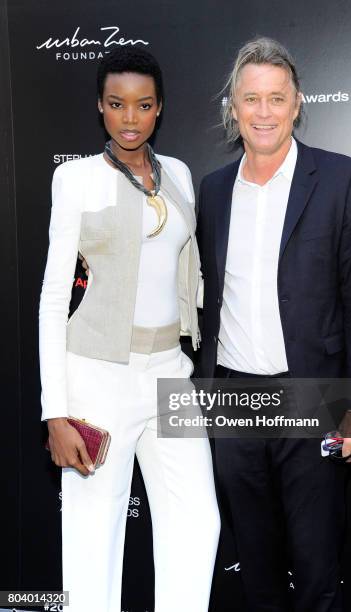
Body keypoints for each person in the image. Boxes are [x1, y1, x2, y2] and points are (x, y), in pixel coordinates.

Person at [196, 37, 351, 611]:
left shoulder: (341, 179)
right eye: (250, 98)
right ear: (232, 105)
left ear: (297, 103)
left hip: (313, 397)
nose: (262, 112)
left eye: (275, 98)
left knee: (314, 564)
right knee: (253, 567)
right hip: (232, 400)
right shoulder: (212, 191)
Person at [39, 46, 220, 612]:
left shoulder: (181, 176)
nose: (130, 117)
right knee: (93, 542)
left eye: (143, 105)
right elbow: (52, 298)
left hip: (170, 371)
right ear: (101, 107)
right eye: (117, 104)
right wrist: (55, 410)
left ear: (159, 108)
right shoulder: (76, 178)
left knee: (199, 522)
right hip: (98, 376)